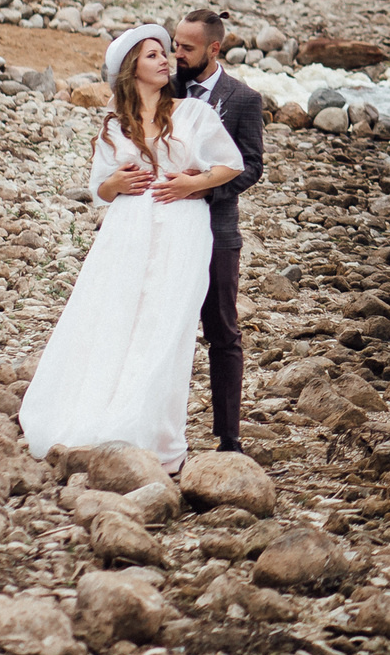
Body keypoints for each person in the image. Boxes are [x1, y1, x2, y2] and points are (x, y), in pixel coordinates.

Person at [18, 24, 244, 473]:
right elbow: (99, 187)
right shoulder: (113, 125)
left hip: (183, 228)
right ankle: (96, 414)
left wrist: (193, 183)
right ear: (131, 71)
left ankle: (151, 432)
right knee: (115, 318)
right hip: (127, 232)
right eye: (152, 55)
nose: (166, 61)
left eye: (166, 54)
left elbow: (231, 164)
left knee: (167, 325)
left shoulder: (194, 114)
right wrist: (116, 183)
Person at [168, 6, 264, 453]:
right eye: (174, 44)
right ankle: (163, 428)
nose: (176, 53)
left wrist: (202, 191)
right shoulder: (163, 88)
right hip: (163, 226)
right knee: (163, 326)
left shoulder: (243, 99)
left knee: (222, 331)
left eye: (186, 47)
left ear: (214, 48)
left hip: (217, 231)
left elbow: (251, 167)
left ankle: (229, 437)